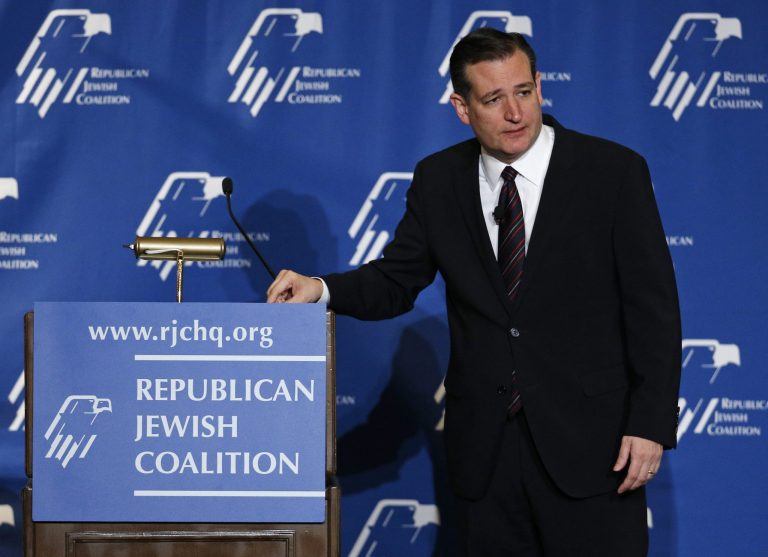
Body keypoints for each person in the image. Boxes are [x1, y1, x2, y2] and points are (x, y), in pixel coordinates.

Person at [267, 28, 681, 556]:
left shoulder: (613, 172)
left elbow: (654, 311)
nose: (515, 113)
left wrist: (649, 424)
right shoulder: (439, 180)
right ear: (462, 108)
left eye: (524, 92)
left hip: (594, 448)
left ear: (539, 86)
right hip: (486, 455)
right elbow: (396, 280)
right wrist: (321, 288)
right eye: (493, 99)